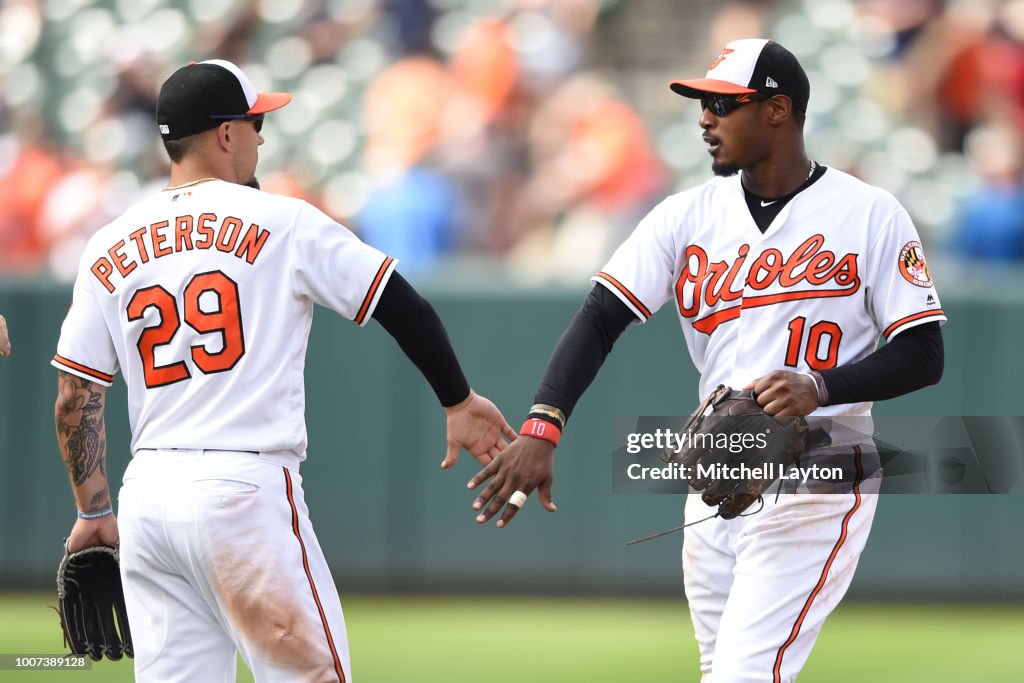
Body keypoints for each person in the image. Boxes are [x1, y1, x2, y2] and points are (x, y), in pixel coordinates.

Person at [468, 39, 945, 682]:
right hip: (715, 473)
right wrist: (542, 424)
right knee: (722, 669)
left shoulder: (869, 214)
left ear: (777, 110)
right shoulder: (685, 216)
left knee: (744, 675)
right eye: (701, 104)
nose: (704, 119)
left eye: (722, 103)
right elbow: (600, 317)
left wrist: (820, 386)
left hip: (822, 469)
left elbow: (924, 354)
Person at [51, 59, 516, 683]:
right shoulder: (281, 220)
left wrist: (92, 510)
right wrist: (457, 401)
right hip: (243, 492)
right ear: (224, 134)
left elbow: (74, 396)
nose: (261, 136)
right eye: (255, 121)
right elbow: (400, 302)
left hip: (148, 499)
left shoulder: (108, 243)